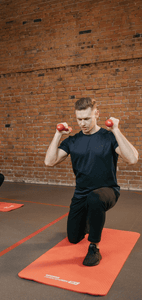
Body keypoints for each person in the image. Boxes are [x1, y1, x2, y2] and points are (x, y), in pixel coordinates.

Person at [45, 97, 138, 266]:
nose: (83, 123)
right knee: (73, 238)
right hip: (81, 193)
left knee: (95, 198)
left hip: (107, 191)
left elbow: (132, 159)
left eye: (87, 119)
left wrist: (116, 130)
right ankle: (89, 218)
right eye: (79, 119)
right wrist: (58, 134)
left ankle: (94, 247)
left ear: (97, 114)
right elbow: (49, 162)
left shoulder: (108, 138)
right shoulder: (73, 141)